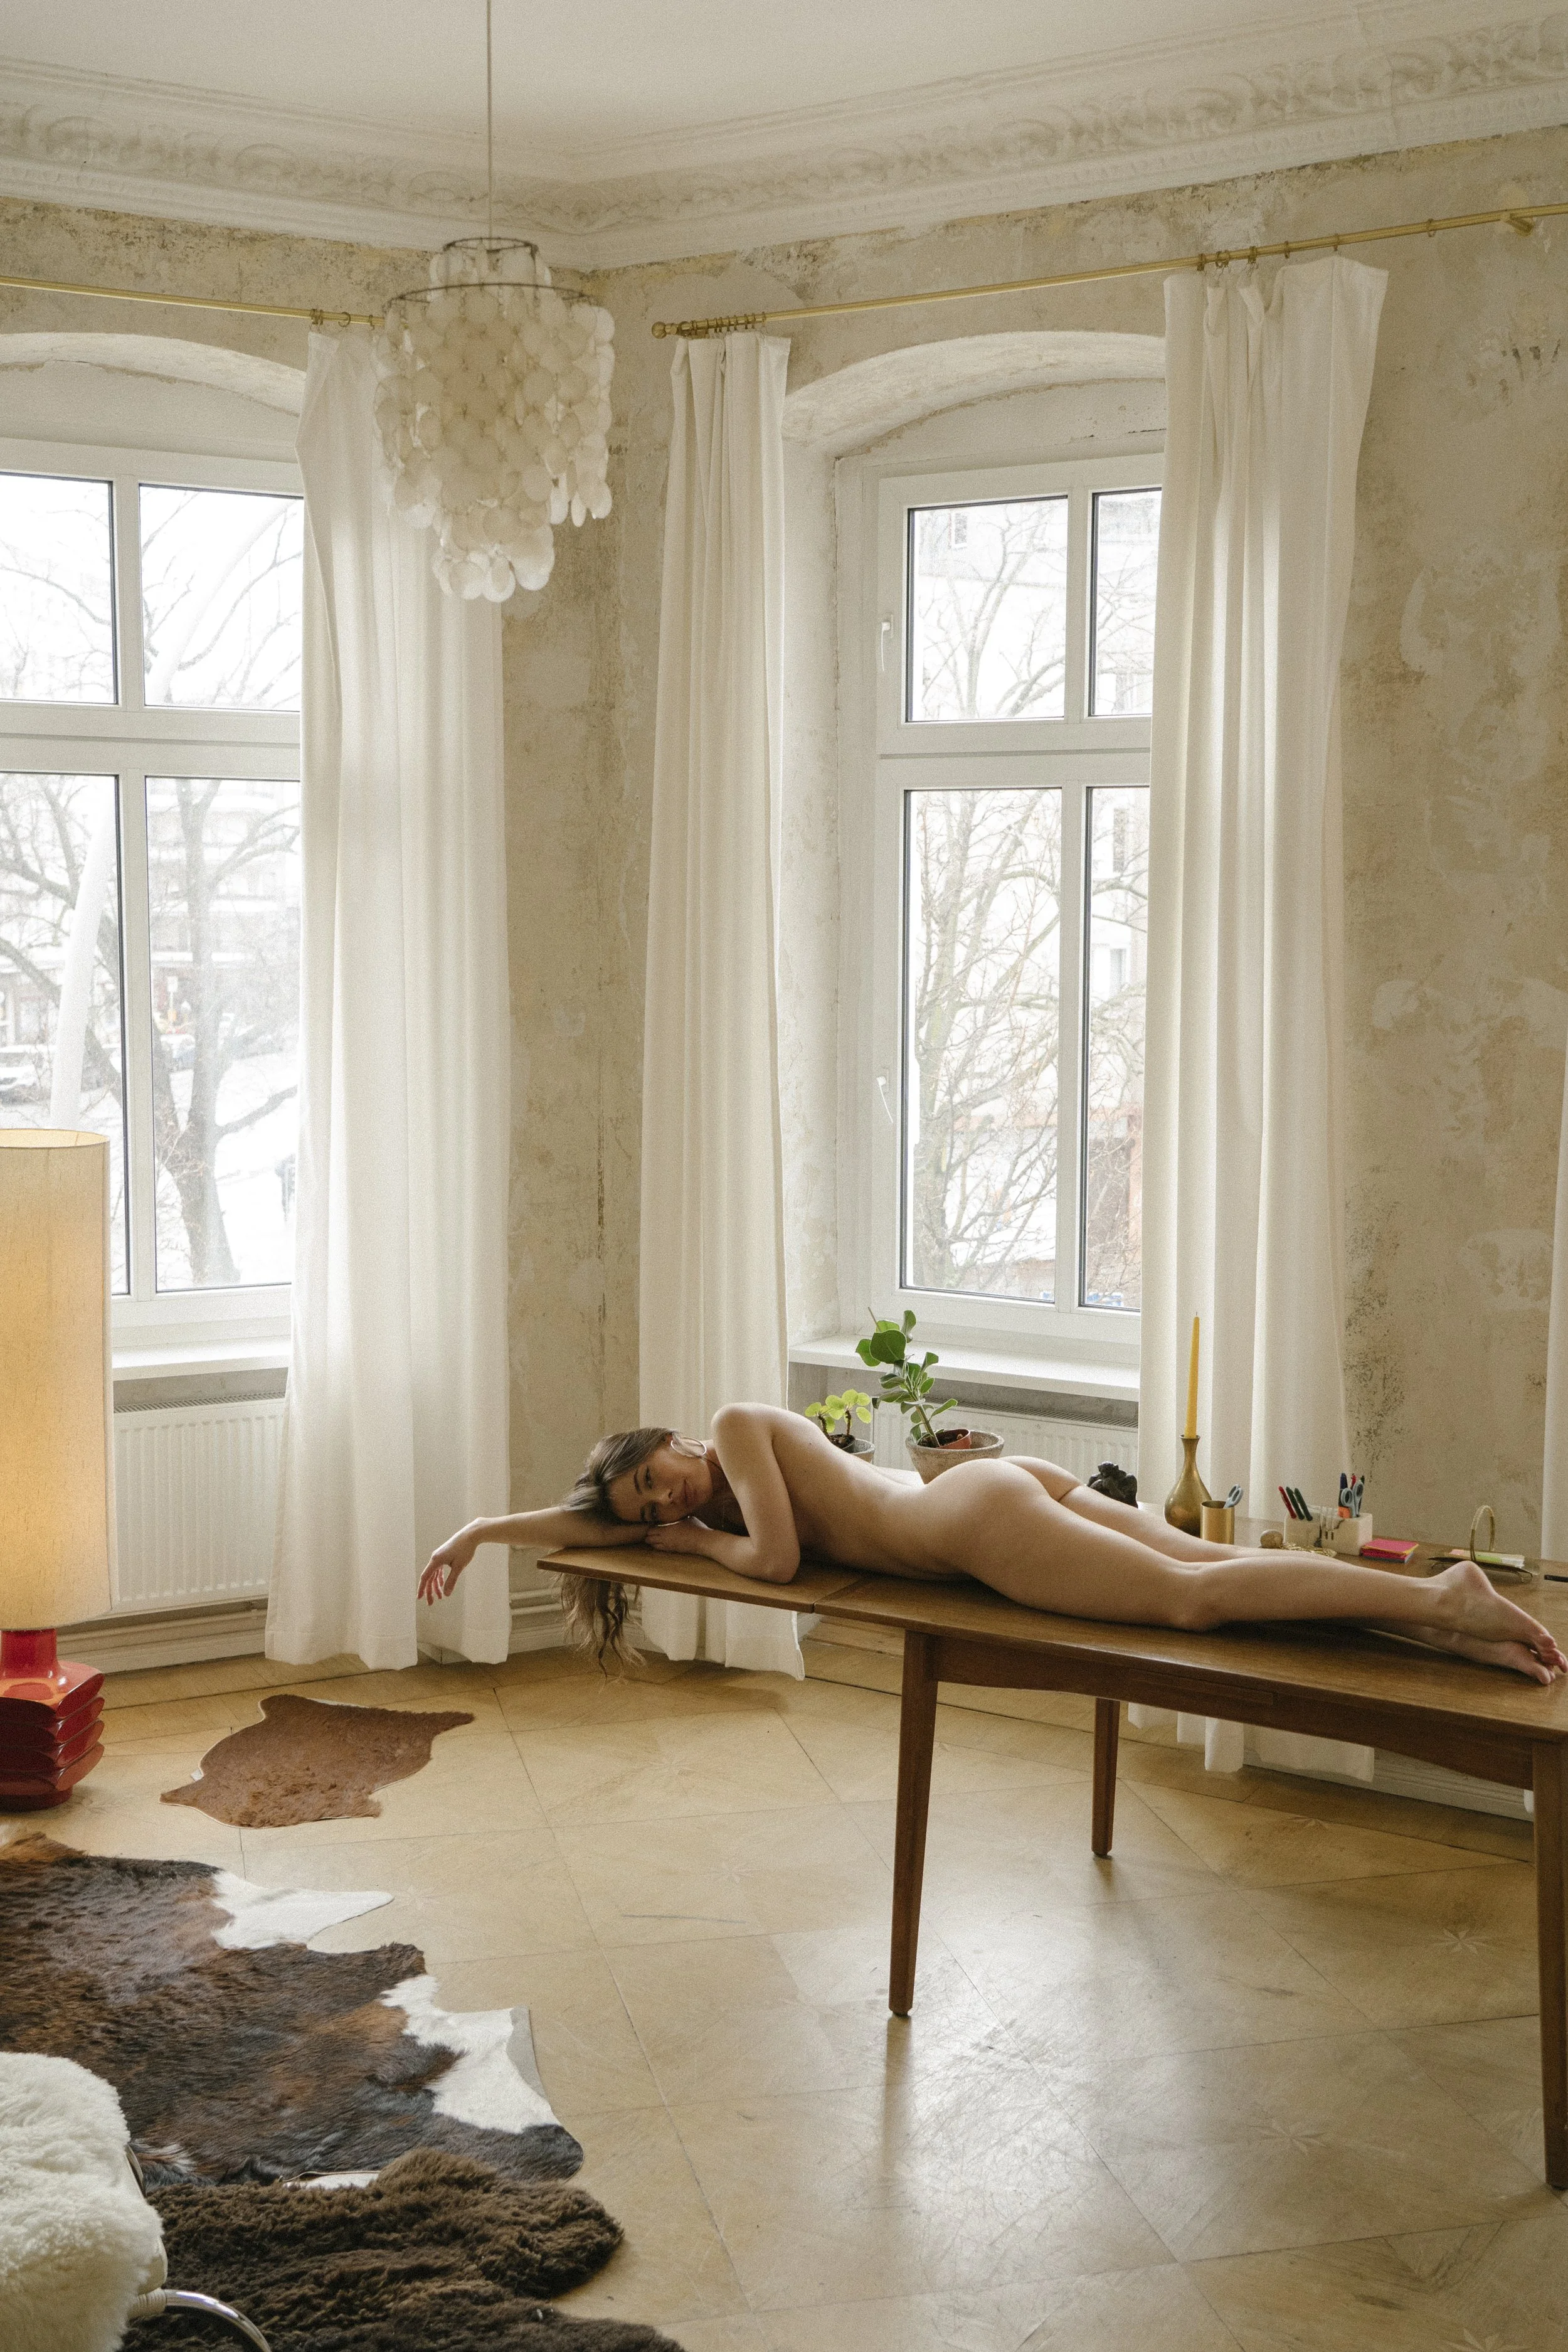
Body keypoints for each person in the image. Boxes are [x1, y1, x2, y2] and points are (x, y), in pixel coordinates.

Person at [418, 1402, 1567, 1684]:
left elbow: (772, 1563)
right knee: (1212, 1566)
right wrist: (477, 1530)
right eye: (648, 1513)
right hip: (990, 1495)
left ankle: (1439, 1599)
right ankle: (1439, 1628)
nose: (664, 1507)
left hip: (973, 1521)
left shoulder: (732, 1430)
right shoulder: (702, 1488)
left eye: (654, 1483)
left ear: (667, 1439)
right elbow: (579, 1524)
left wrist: (694, 1552)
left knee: (1191, 1601)